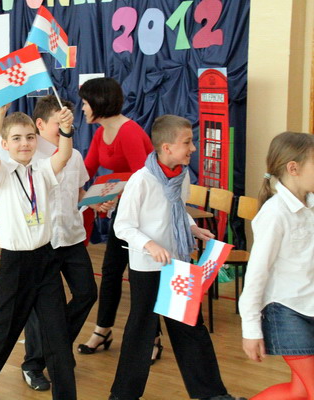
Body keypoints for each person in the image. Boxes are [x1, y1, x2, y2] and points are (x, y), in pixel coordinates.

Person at [109, 114, 245, 400]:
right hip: (147, 267)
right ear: (167, 147)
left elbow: (177, 210)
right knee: (141, 332)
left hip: (178, 265)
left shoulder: (182, 176)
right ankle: (122, 395)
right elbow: (123, 227)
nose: (193, 148)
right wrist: (150, 245)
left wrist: (192, 227)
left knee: (191, 327)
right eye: (188, 142)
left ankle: (212, 394)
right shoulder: (141, 180)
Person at [0, 105, 76, 400]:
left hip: (46, 259)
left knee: (57, 334)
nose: (24, 143)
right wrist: (0, 114)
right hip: (15, 263)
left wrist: (66, 130)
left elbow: (63, 156)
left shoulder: (42, 170)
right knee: (6, 328)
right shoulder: (0, 174)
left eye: (29, 137)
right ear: (5, 144)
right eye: (16, 138)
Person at [76, 78, 158, 359]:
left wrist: (113, 192)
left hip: (146, 217)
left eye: (85, 103)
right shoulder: (101, 134)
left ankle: (152, 337)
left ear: (98, 102)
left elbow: (143, 177)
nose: (82, 108)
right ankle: (103, 329)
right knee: (111, 272)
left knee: (141, 278)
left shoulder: (129, 131)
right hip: (124, 214)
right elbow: (86, 171)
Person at [20, 95, 97, 392]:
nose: (67, 128)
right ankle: (33, 364)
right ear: (40, 124)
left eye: (70, 123)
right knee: (40, 310)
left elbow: (78, 191)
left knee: (87, 293)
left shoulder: (74, 155)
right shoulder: (28, 157)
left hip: (72, 237)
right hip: (43, 242)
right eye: (59, 123)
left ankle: (57, 348)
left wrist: (95, 201)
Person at [239, 131, 314, 399]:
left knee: (299, 390)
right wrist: (250, 330)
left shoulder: (311, 204)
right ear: (293, 168)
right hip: (285, 311)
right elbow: (256, 275)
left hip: (308, 305)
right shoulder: (274, 213)